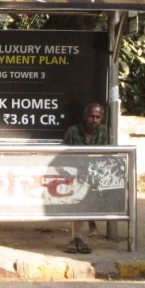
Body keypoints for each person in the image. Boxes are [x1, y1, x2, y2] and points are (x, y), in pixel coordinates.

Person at [61, 101, 109, 253]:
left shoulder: (103, 131)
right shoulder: (73, 131)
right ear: (85, 116)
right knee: (80, 195)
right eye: (92, 117)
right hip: (75, 173)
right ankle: (78, 236)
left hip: (95, 172)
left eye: (98, 117)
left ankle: (90, 222)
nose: (94, 120)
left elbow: (105, 156)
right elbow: (63, 156)